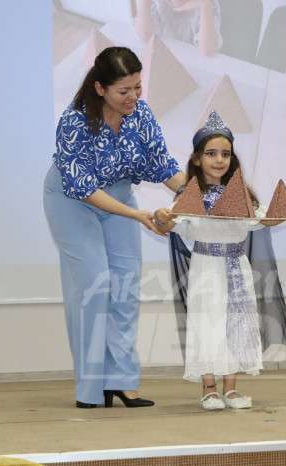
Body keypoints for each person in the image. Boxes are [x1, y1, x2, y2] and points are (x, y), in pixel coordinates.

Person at [43, 47, 185, 409]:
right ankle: (90, 389)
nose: (133, 96)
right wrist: (138, 216)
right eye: (124, 90)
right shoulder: (74, 121)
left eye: (138, 87)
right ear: (100, 88)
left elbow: (163, 165)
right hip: (73, 201)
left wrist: (201, 194)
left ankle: (121, 382)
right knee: (95, 285)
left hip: (118, 197)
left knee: (124, 288)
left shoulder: (141, 114)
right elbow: (84, 188)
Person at [154, 111, 286, 410]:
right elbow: (170, 224)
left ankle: (231, 389)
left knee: (237, 323)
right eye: (211, 153)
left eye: (225, 154)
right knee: (208, 323)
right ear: (196, 159)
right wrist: (162, 217)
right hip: (206, 267)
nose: (219, 160)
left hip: (237, 266)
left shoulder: (242, 196)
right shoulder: (189, 197)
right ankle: (209, 388)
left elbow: (262, 220)